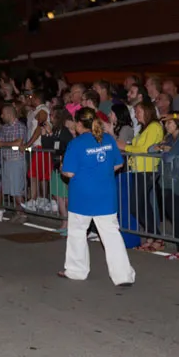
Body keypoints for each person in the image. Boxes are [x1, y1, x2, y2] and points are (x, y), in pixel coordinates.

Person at [58, 108, 136, 287]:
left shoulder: (76, 143)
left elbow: (69, 172)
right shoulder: (107, 139)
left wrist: (62, 167)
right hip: (106, 195)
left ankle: (76, 271)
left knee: (77, 233)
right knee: (111, 235)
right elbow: (118, 164)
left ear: (79, 124)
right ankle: (123, 275)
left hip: (82, 196)